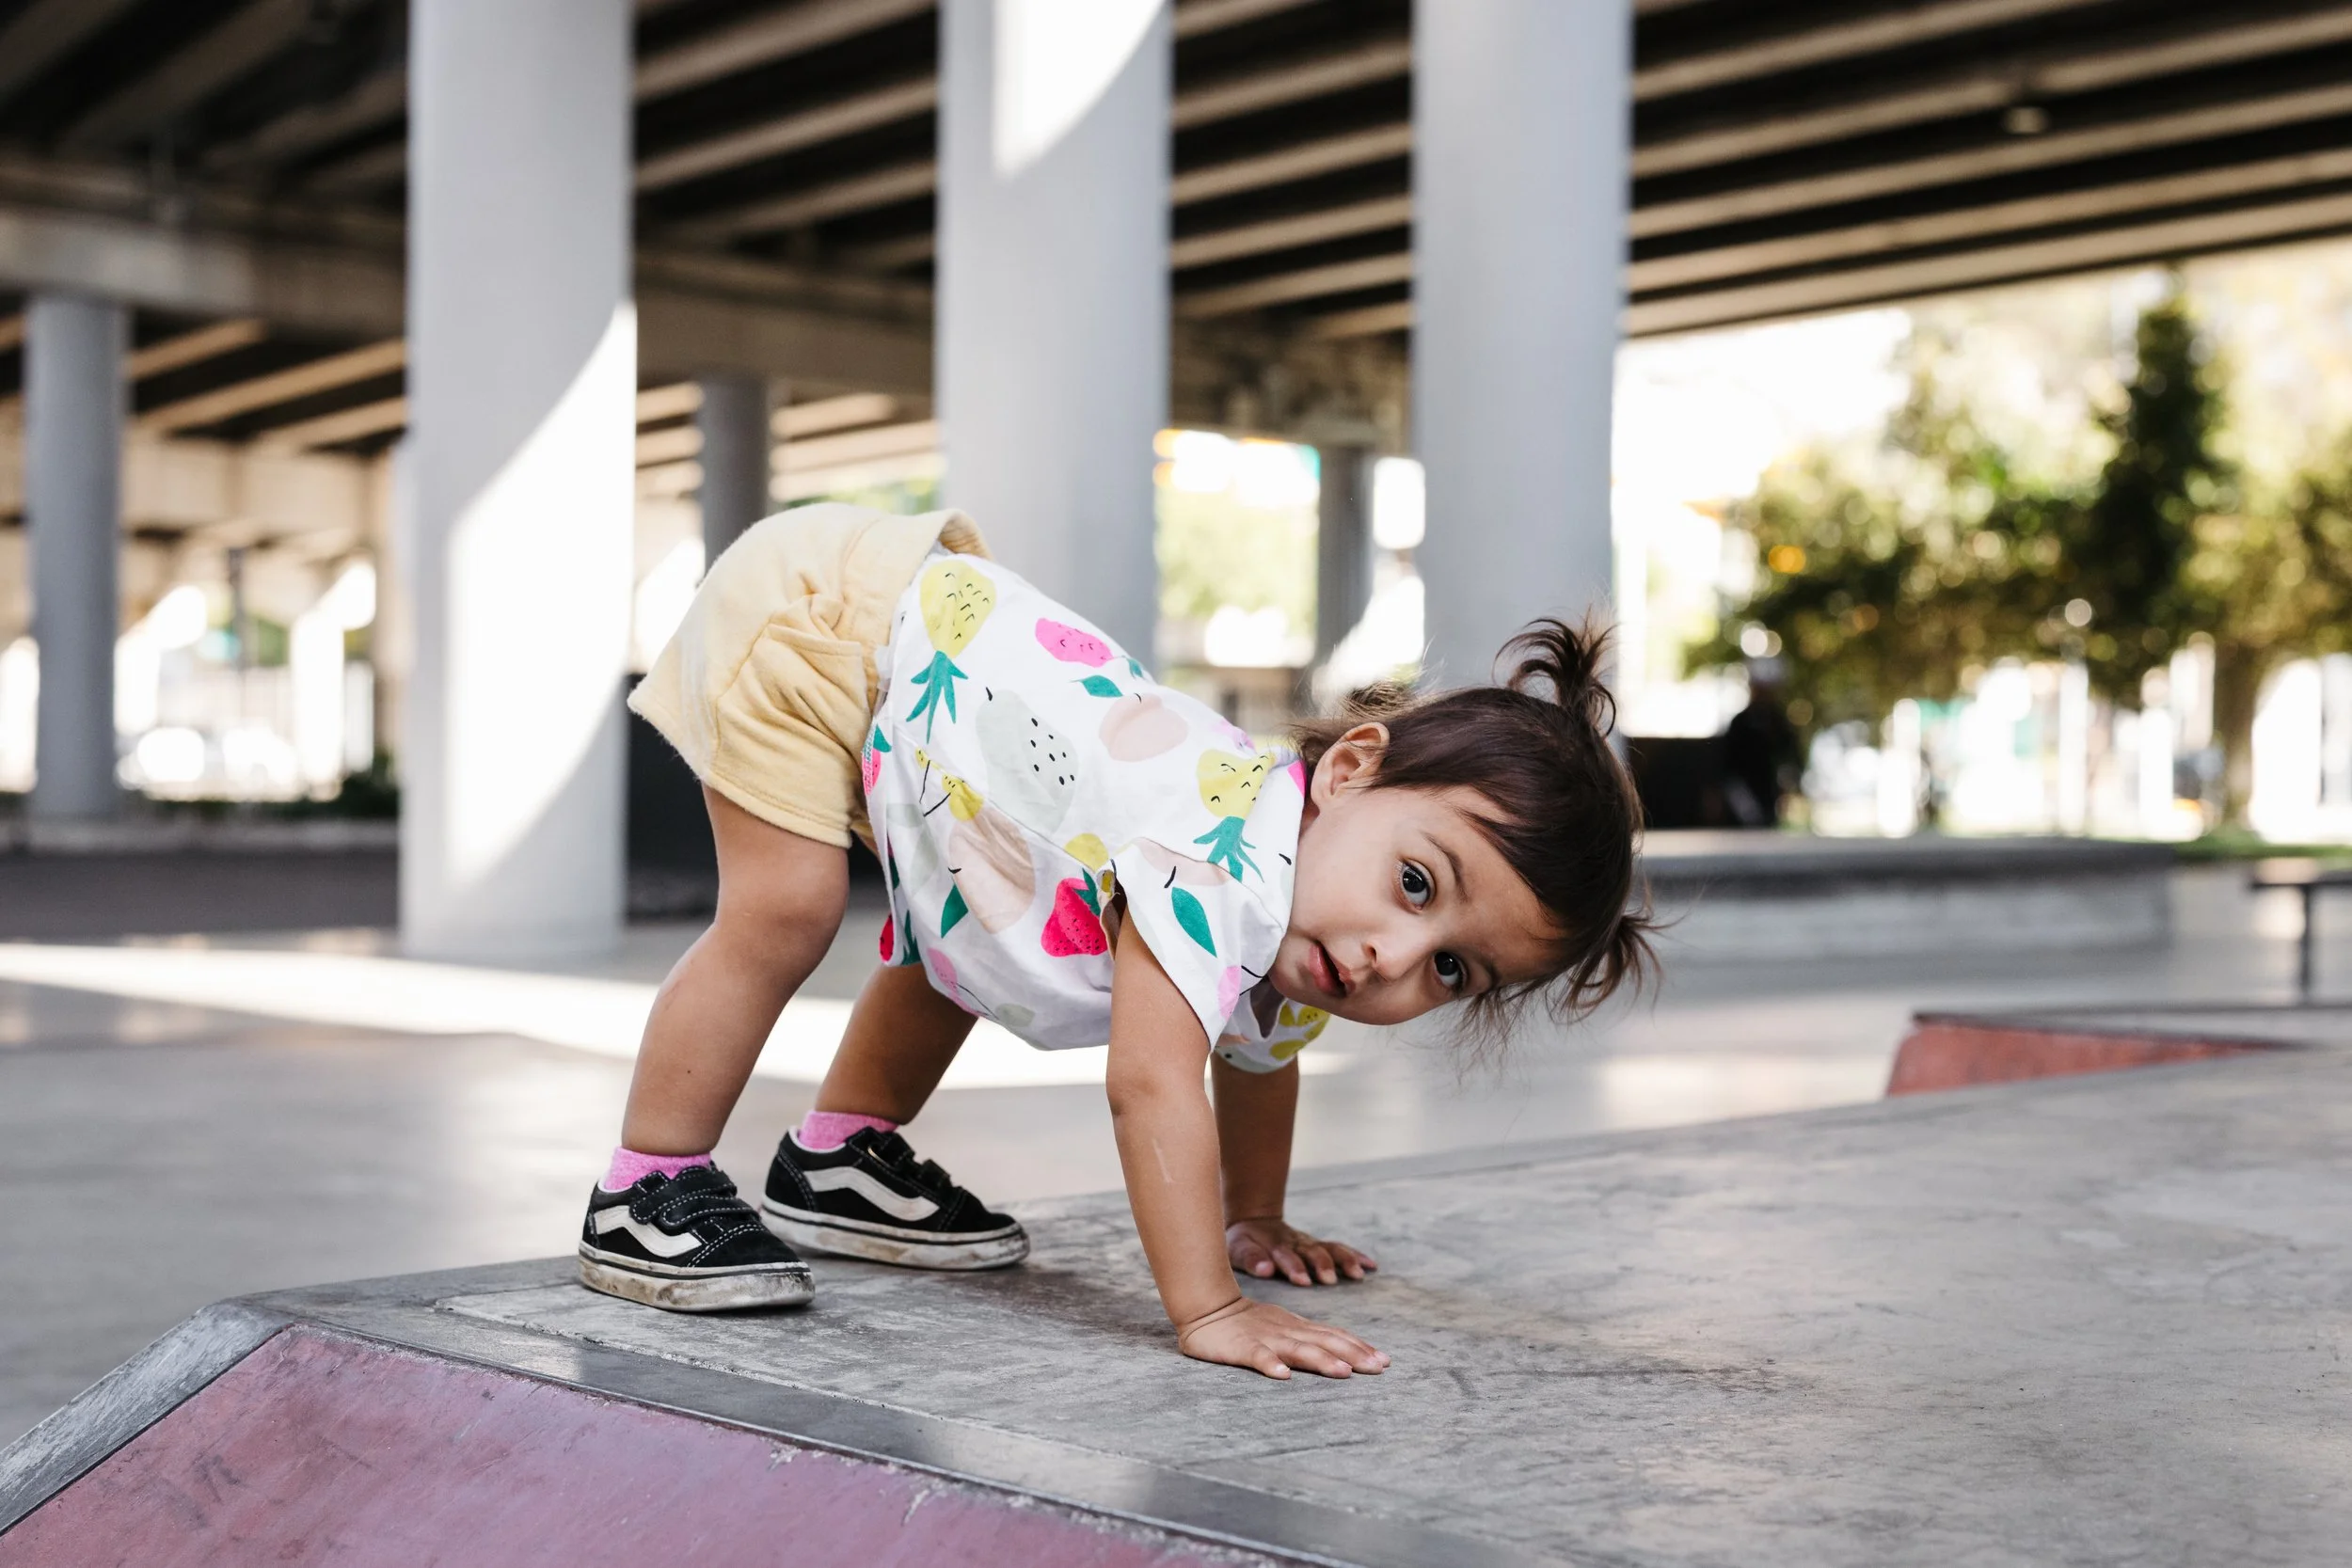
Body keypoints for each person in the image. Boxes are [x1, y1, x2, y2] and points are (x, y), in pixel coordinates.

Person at [580, 503, 1654, 1381]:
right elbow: (1152, 1083)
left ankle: (835, 1160)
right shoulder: (1225, 857)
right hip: (830, 612)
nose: (1392, 953)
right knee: (786, 907)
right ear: (1346, 771)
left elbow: (1259, 1057)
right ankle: (647, 1183)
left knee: (979, 939)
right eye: (1416, 884)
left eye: (1451, 969)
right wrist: (1211, 1305)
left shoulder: (1310, 905)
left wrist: (1257, 1215)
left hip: (920, 666)